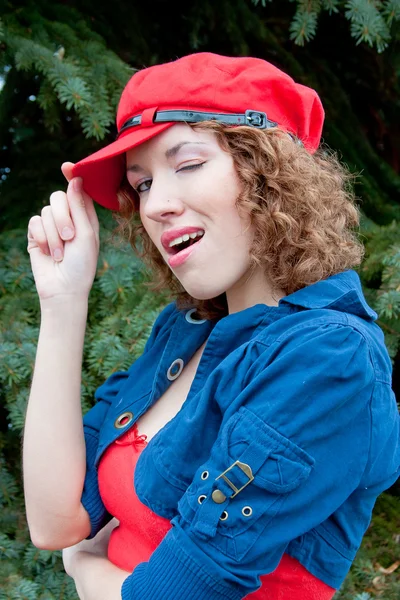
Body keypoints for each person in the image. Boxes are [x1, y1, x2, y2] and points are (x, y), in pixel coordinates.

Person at [23, 52, 399, 600]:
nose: (156, 205)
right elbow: (57, 523)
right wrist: (62, 303)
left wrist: (87, 572)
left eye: (188, 163)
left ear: (271, 175)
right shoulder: (184, 333)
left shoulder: (331, 359)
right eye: (143, 183)